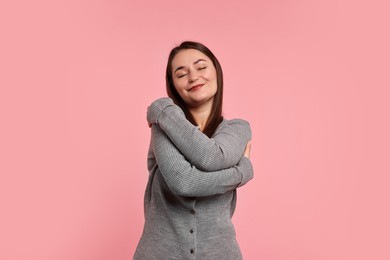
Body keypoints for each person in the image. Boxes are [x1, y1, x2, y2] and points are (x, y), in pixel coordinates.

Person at [134, 41, 254, 260]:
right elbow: (183, 182)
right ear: (173, 86)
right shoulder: (164, 127)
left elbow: (213, 157)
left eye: (201, 67)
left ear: (216, 71)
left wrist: (160, 109)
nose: (193, 77)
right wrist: (242, 172)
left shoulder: (238, 129)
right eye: (181, 74)